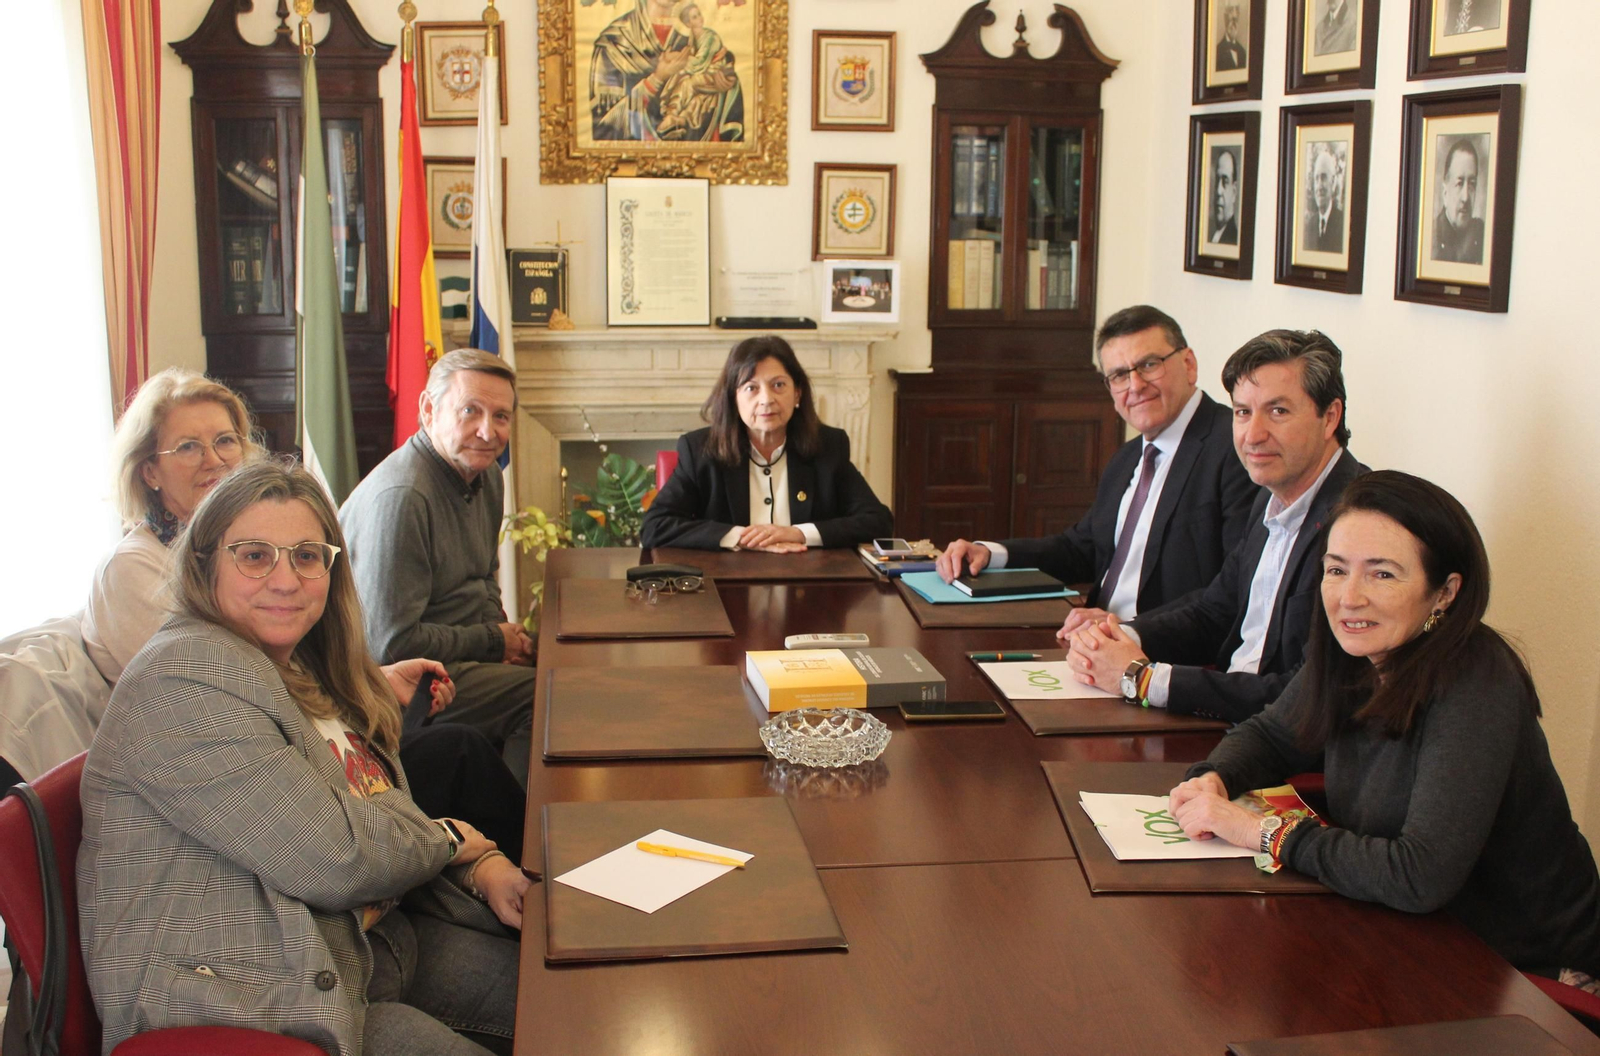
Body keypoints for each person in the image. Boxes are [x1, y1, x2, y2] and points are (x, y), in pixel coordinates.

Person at [80, 460, 529, 1055]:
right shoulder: (184, 677)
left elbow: (375, 808)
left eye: (307, 555)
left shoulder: (303, 664)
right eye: (255, 555)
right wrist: (453, 841)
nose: (286, 579)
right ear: (204, 562)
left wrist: (478, 865)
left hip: (371, 947)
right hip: (260, 998)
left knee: (575, 1002)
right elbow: (338, 856)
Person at [1168, 471, 1600, 987]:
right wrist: (1214, 777)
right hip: (1404, 934)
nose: (1349, 598)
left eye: (1382, 575)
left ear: (1445, 593)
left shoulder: (1477, 681)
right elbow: (1272, 736)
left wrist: (1261, 832)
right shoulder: (1355, 650)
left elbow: (1420, 875)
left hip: (1519, 970)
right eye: (1336, 570)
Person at [80, 367, 526, 857]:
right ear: (148, 470)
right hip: (238, 789)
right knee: (461, 756)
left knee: (460, 757)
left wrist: (375, 682)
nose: (213, 459)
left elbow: (287, 670)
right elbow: (219, 703)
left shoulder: (263, 548)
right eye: (188, 447)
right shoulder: (135, 572)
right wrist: (453, 847)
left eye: (226, 441)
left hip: (313, 748)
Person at [1066, 329, 1367, 724]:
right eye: (1243, 412)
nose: (1252, 435)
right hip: (1229, 721)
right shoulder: (1272, 494)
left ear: (1330, 416)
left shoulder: (1360, 522)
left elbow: (1307, 694)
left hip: (1283, 747)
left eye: (1278, 411)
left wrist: (1144, 680)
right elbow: (1214, 612)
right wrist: (1122, 637)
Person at [938, 307, 1256, 631]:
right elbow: (1080, 550)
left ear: (1189, 364)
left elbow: (1234, 587)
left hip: (1164, 653)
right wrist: (991, 553)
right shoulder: (1129, 457)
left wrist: (1131, 628)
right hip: (1092, 638)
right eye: (1119, 375)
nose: (1135, 385)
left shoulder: (1236, 450)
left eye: (1149, 365)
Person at [340, 349, 535, 782]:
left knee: (561, 668)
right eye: (471, 411)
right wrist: (490, 642)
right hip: (394, 681)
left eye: (501, 416)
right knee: (546, 698)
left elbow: (483, 577)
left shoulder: (486, 476)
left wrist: (504, 646)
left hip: (456, 658)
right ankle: (523, 828)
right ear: (428, 409)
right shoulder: (403, 498)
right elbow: (391, 645)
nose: (488, 431)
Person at [641, 335, 892, 552]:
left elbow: (878, 522)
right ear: (733, 398)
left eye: (778, 385)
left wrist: (798, 533)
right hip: (724, 590)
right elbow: (655, 527)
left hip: (809, 586)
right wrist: (740, 537)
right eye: (751, 388)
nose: (766, 399)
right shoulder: (700, 450)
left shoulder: (828, 446)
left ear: (797, 394)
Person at [589, 0, 742, 143]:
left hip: (698, 160)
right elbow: (604, 127)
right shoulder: (614, 43)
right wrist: (656, 80)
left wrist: (721, 84)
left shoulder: (698, 37)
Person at [655, 3, 732, 138]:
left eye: (699, 15)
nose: (700, 19)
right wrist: (674, 59)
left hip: (714, 74)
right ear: (688, 23)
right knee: (678, 77)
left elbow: (699, 62)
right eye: (695, 17)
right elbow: (690, 55)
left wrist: (677, 59)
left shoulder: (710, 37)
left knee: (688, 82)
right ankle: (674, 116)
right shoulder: (693, 37)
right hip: (702, 72)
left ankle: (672, 113)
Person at [1432, 137, 1485, 264]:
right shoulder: (1432, 238)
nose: (1466, 197)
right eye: (1459, 183)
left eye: (1472, 184)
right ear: (1445, 192)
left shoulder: (1482, 235)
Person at [1303, 149, 1345, 254]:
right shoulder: (1308, 227)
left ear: (1333, 182)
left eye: (1324, 177)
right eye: (1316, 179)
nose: (1319, 186)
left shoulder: (1342, 224)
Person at [1209, 149, 1239, 245]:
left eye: (1225, 182)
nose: (1218, 191)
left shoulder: (1233, 240)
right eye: (1217, 180)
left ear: (1234, 192)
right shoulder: (1211, 235)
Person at [1216, 3, 1247, 70]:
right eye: (1230, 20)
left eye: (1235, 20)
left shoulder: (1242, 52)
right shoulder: (1217, 52)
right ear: (1225, 21)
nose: (1233, 25)